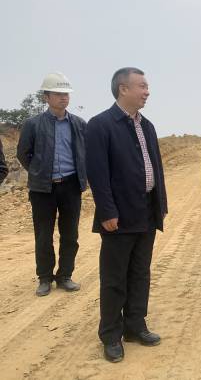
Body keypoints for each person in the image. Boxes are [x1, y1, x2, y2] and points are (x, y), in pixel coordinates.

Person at [86, 67, 168, 363]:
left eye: (147, 86)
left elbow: (156, 168)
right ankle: (111, 334)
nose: (147, 91)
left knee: (140, 273)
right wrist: (107, 211)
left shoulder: (147, 126)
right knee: (114, 278)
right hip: (118, 216)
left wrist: (160, 206)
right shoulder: (100, 125)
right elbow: (98, 174)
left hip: (146, 212)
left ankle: (135, 326)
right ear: (123, 89)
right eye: (142, 86)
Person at [16, 73, 87, 297]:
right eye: (58, 94)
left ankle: (65, 275)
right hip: (42, 189)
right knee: (43, 235)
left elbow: (86, 153)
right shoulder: (33, 124)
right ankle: (45, 278)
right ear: (46, 97)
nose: (63, 98)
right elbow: (23, 153)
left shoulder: (79, 124)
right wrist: (39, 172)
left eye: (66, 94)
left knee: (70, 235)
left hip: (70, 186)